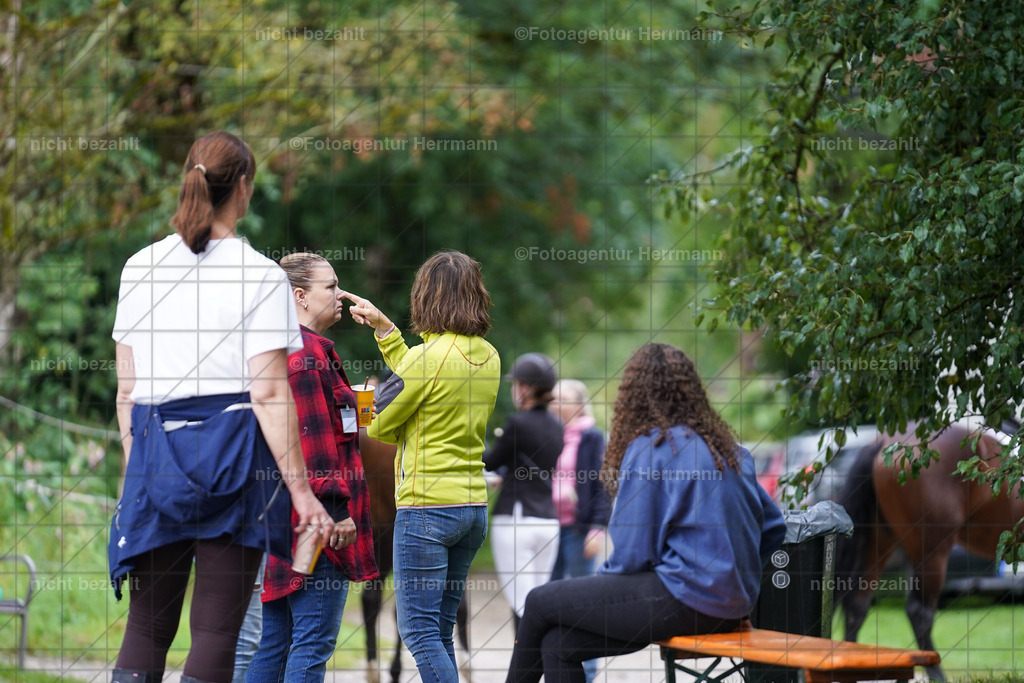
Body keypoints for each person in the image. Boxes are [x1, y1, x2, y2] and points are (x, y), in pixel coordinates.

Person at [109, 131, 334, 683]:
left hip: (155, 447)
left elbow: (126, 392)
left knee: (146, 628)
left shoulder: (140, 266)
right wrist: (302, 493)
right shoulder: (260, 276)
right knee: (215, 632)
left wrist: (137, 475)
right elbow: (269, 393)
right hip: (234, 456)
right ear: (244, 188)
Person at [506, 343, 786, 683]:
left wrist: (605, 592)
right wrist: (735, 578)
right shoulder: (731, 450)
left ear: (634, 396)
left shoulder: (651, 447)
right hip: (732, 607)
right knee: (558, 643)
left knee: (539, 601)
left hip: (684, 599)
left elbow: (632, 552)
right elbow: (774, 528)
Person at [342, 251, 501, 683]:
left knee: (418, 631)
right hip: (472, 508)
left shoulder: (426, 360)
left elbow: (378, 426)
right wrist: (386, 331)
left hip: (427, 510)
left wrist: (366, 403)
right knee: (440, 631)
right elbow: (423, 375)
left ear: (426, 297)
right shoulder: (489, 356)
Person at [246, 252, 379, 681]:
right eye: (331, 286)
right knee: (312, 641)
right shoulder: (304, 355)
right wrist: (336, 510)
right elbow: (312, 442)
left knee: (275, 642)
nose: (341, 295)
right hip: (317, 522)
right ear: (299, 296)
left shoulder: (293, 350)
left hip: (285, 517)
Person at [484, 353, 564, 630]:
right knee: (538, 602)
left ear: (526, 388)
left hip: (516, 519)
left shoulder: (517, 423)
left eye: (515, 384)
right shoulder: (558, 425)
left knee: (522, 606)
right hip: (548, 521)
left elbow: (490, 461)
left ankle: (524, 659)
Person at [548, 379, 612, 682]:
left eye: (561, 399)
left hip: (579, 530)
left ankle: (588, 675)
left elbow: (604, 485)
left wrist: (598, 528)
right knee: (549, 601)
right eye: (553, 398)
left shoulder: (592, 436)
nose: (554, 404)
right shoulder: (549, 433)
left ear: (579, 405)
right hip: (548, 528)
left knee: (585, 606)